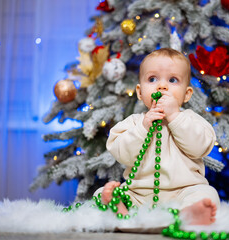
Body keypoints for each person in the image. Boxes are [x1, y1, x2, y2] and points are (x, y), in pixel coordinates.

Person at [94, 48, 220, 225]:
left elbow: (199, 147)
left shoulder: (191, 120)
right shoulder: (134, 123)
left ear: (186, 94)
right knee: (100, 194)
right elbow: (121, 153)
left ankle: (188, 214)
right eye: (152, 79)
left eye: (173, 80)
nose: (162, 86)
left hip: (183, 192)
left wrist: (175, 116)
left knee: (207, 194)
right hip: (139, 195)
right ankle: (120, 209)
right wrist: (143, 127)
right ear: (140, 92)